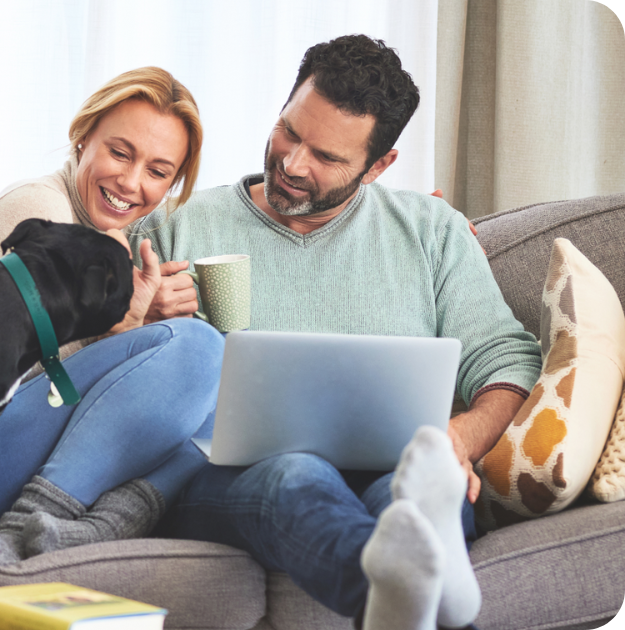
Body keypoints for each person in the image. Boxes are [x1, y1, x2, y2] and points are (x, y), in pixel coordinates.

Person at [129, 35, 542, 630]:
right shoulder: (177, 223)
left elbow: (507, 356)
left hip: (389, 470)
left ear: (379, 166)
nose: (294, 164)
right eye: (290, 133)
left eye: (326, 156)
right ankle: (427, 596)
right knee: (299, 474)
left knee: (418, 495)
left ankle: (419, 575)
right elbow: (111, 379)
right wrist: (145, 329)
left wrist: (459, 438)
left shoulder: (431, 233)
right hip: (226, 481)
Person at [0, 67, 225, 564]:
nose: (131, 182)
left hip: (2, 460)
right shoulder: (39, 212)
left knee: (220, 393)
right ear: (83, 138)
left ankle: (101, 525)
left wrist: (137, 331)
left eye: (157, 171)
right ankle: (27, 529)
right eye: (119, 153)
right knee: (200, 346)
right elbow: (8, 374)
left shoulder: (112, 243)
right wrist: (125, 332)